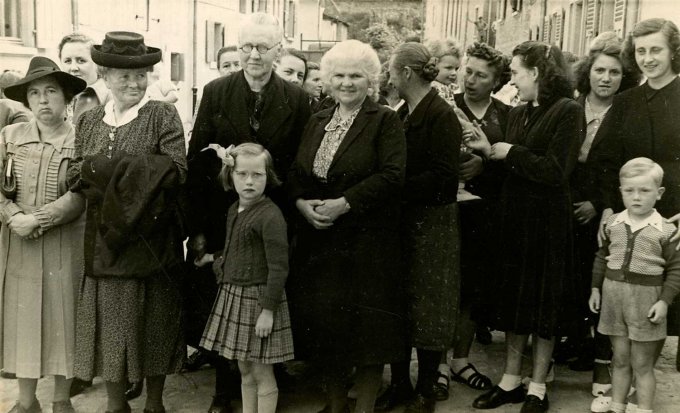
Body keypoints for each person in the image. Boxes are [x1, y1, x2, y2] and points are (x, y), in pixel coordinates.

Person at [188, 12, 310, 413]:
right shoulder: (216, 91)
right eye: (246, 46)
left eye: (262, 47)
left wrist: (285, 205)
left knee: (268, 296)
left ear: (279, 49)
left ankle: (271, 387)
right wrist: (202, 229)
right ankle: (225, 393)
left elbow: (298, 165)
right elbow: (198, 161)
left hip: (273, 217)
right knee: (225, 304)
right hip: (226, 215)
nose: (253, 55)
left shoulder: (295, 98)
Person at [67, 31, 187, 413]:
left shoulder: (161, 115)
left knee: (154, 323)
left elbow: (176, 171)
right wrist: (115, 173)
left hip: (150, 236)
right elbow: (74, 173)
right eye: (124, 75)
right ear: (104, 74)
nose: (134, 83)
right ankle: (115, 405)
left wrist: (104, 170)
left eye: (141, 74)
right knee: (112, 327)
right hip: (105, 240)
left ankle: (155, 404)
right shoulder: (88, 121)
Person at [287, 39, 407, 413]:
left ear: (370, 79)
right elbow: (296, 171)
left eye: (356, 75)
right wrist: (301, 204)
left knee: (368, 335)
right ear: (327, 79)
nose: (347, 82)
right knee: (329, 331)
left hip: (366, 243)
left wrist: (345, 203)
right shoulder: (319, 118)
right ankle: (337, 405)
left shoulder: (384, 119)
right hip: (321, 243)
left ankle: (365, 408)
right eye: (338, 75)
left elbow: (392, 175)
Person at [466, 41, 584, 413]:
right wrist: (488, 149)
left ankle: (537, 387)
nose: (511, 80)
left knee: (543, 305)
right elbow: (509, 167)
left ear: (536, 73)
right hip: (516, 221)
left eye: (516, 72)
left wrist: (509, 152)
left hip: (547, 223)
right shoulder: (519, 113)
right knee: (517, 302)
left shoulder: (567, 111)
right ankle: (511, 381)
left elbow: (556, 170)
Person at [595, 17, 680, 411]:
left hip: (676, 223)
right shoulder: (627, 100)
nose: (647, 58)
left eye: (656, 50)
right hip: (631, 222)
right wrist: (610, 207)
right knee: (630, 315)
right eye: (641, 50)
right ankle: (622, 395)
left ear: (673, 51)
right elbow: (604, 159)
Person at [377, 42, 461, 413]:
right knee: (400, 301)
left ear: (406, 73)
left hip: (432, 223)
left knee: (430, 304)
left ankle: (425, 387)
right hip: (406, 220)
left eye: (393, 72)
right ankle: (400, 384)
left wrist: (394, 184)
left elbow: (444, 178)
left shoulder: (440, 115)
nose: (390, 78)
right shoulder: (404, 112)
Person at [0, 56, 86, 413]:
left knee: (63, 319)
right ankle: (25, 401)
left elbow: (82, 192)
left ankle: (61, 399)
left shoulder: (80, 138)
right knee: (21, 319)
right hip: (17, 242)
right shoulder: (9, 136)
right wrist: (12, 215)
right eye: (34, 93)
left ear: (67, 98)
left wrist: (40, 218)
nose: (43, 100)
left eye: (51, 91)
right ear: (26, 101)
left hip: (64, 243)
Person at [431, 42, 511, 401]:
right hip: (445, 209)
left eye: (482, 75)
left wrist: (486, 163)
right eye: (468, 71)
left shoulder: (507, 115)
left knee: (470, 288)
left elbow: (513, 167)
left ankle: (461, 360)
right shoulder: (446, 106)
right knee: (441, 286)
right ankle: (438, 365)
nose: (472, 80)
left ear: (496, 81)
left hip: (485, 215)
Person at [567, 32, 641, 413]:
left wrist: (598, 204)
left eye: (614, 72)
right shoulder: (571, 107)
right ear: (588, 73)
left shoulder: (626, 114)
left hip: (604, 207)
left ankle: (600, 365)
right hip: (565, 203)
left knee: (601, 286)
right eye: (599, 70)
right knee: (567, 281)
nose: (606, 78)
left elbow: (621, 166)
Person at [197, 143, 293, 413]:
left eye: (257, 175)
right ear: (230, 176)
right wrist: (213, 259)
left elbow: (278, 267)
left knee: (263, 374)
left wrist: (268, 311)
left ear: (268, 177)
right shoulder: (233, 209)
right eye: (242, 174)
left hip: (259, 301)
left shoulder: (270, 216)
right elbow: (236, 250)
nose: (249, 181)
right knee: (245, 370)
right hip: (234, 297)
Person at [588, 158, 680, 413]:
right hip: (613, 297)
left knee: (642, 364)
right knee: (620, 359)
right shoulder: (613, 222)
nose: (636, 197)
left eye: (644, 190)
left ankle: (643, 409)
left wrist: (664, 301)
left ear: (659, 193)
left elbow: (675, 269)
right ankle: (617, 405)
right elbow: (601, 257)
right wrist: (595, 289)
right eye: (629, 191)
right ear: (621, 192)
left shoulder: (666, 229)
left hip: (646, 300)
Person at [58, 33, 112, 124]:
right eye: (68, 61)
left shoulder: (110, 97)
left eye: (81, 60)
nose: (73, 68)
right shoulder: (58, 95)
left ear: (97, 64)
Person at [425, 38, 462, 103]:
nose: (454, 73)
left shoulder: (449, 87)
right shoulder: (435, 88)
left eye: (456, 69)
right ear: (433, 66)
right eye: (449, 68)